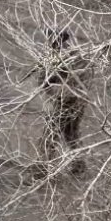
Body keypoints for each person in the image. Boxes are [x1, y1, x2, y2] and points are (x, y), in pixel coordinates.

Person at [38, 28, 87, 177]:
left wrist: (49, 86)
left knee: (51, 136)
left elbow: (46, 81)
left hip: (67, 101)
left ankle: (43, 170)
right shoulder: (71, 55)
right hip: (74, 100)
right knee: (70, 134)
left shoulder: (63, 56)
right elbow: (44, 81)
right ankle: (78, 166)